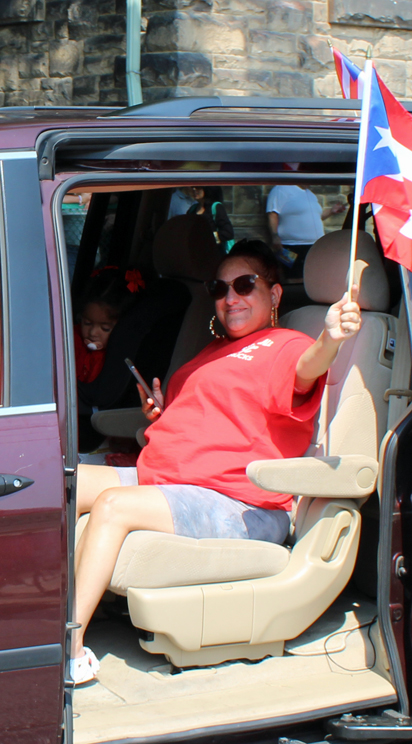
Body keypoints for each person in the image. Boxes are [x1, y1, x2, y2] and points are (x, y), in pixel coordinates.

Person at [70, 243, 361, 684]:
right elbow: (216, 419)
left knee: (111, 505)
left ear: (276, 295)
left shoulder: (285, 344)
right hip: (172, 478)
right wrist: (164, 414)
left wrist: (331, 338)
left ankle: (67, 646)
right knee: (59, 483)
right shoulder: (214, 350)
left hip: (239, 501)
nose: (231, 297)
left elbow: (306, 368)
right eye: (219, 288)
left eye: (246, 285)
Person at [74, 267, 144, 384]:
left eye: (105, 328)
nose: (92, 333)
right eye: (87, 323)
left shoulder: (115, 357)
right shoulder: (69, 341)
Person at [266, 185, 345, 278]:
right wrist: (275, 236)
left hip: (315, 246)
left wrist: (332, 211)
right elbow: (272, 213)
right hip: (292, 246)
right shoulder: (281, 189)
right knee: (294, 278)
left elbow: (316, 217)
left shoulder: (310, 194)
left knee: (313, 278)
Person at [187, 185, 234, 254]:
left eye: (198, 187)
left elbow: (228, 232)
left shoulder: (216, 207)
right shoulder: (192, 209)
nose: (194, 189)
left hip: (213, 254)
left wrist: (206, 238)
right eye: (192, 187)